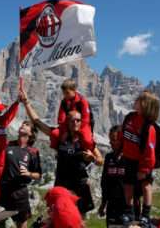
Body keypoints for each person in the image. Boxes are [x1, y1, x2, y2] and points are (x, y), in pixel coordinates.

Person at [20, 87, 103, 215]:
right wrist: (26, 103)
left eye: (78, 120)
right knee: (59, 218)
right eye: (72, 120)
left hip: (80, 186)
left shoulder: (85, 141)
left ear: (82, 122)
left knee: (79, 220)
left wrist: (92, 158)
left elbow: (100, 161)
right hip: (62, 184)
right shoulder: (60, 137)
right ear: (67, 122)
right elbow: (37, 123)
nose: (75, 122)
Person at [121, 91, 160, 227]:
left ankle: (145, 215)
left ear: (145, 105)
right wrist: (121, 150)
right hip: (128, 158)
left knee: (146, 186)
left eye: (138, 99)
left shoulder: (149, 126)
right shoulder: (130, 117)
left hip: (141, 162)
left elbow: (149, 151)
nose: (135, 100)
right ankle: (129, 212)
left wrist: (144, 169)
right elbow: (123, 135)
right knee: (128, 185)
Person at [0, 120, 42, 228]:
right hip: (3, 191)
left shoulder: (33, 151)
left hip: (20, 193)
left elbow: (38, 174)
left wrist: (29, 173)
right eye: (23, 123)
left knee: (22, 224)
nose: (23, 125)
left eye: (27, 125)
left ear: (31, 133)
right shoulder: (8, 145)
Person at [99, 125, 126, 226]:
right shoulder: (109, 157)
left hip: (127, 206)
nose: (110, 143)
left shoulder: (130, 158)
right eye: (110, 139)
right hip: (112, 206)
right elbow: (104, 182)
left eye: (113, 140)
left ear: (121, 140)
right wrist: (103, 203)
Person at [57, 79, 94, 150]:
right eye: (64, 93)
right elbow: (61, 119)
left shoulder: (82, 101)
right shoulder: (64, 102)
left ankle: (88, 153)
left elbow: (86, 120)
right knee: (55, 134)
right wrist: (66, 130)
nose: (65, 95)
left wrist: (77, 131)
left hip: (82, 126)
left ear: (74, 90)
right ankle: (59, 152)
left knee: (87, 141)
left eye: (67, 93)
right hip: (68, 126)